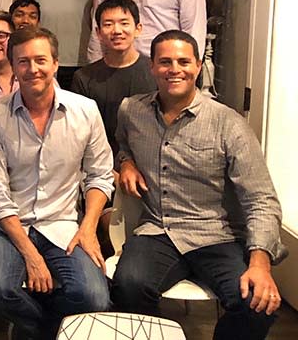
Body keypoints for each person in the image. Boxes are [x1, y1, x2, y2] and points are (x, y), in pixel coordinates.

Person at [112, 30, 286, 340]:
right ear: (152, 67)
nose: (174, 69)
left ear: (197, 66)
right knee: (128, 286)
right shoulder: (131, 110)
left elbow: (261, 199)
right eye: (165, 62)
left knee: (255, 304)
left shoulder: (228, 123)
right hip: (157, 230)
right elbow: (122, 141)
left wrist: (260, 262)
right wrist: (126, 161)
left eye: (183, 61)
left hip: (215, 234)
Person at [0, 27, 114, 339]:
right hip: (7, 226)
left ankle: (34, 330)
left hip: (63, 224)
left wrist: (89, 227)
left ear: (55, 63)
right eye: (23, 61)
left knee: (95, 297)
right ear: (13, 66)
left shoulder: (85, 111)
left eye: (40, 60)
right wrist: (32, 256)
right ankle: (48, 330)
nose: (32, 69)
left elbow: (100, 174)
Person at [70, 0, 155, 155]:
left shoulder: (155, 71)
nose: (117, 30)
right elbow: (81, 133)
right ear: (98, 33)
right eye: (108, 24)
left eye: (124, 23)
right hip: (101, 165)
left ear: (138, 29)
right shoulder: (84, 78)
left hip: (149, 161)